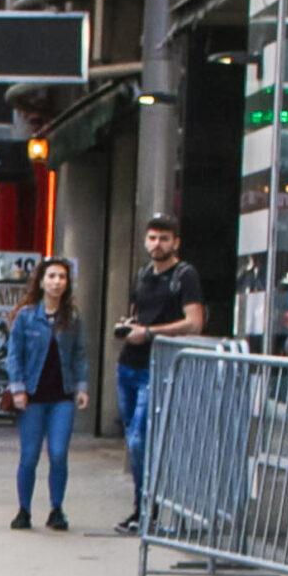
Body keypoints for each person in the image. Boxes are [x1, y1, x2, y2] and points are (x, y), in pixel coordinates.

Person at [114, 215, 205, 531]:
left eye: (164, 238)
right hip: (129, 363)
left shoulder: (185, 275)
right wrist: (130, 327)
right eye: (152, 238)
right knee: (133, 438)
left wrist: (150, 333)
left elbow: (195, 322)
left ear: (175, 242)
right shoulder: (143, 275)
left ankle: (148, 508)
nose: (157, 244)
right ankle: (142, 508)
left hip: (160, 366)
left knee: (140, 439)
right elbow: (139, 314)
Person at [5, 257, 89, 530]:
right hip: (33, 396)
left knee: (58, 453)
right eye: (51, 276)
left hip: (61, 396)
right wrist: (17, 388)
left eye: (62, 277)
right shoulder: (27, 316)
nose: (56, 282)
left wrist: (81, 387)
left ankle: (56, 508)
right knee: (29, 455)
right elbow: (14, 354)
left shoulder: (72, 318)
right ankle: (24, 509)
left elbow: (79, 354)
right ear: (41, 281)